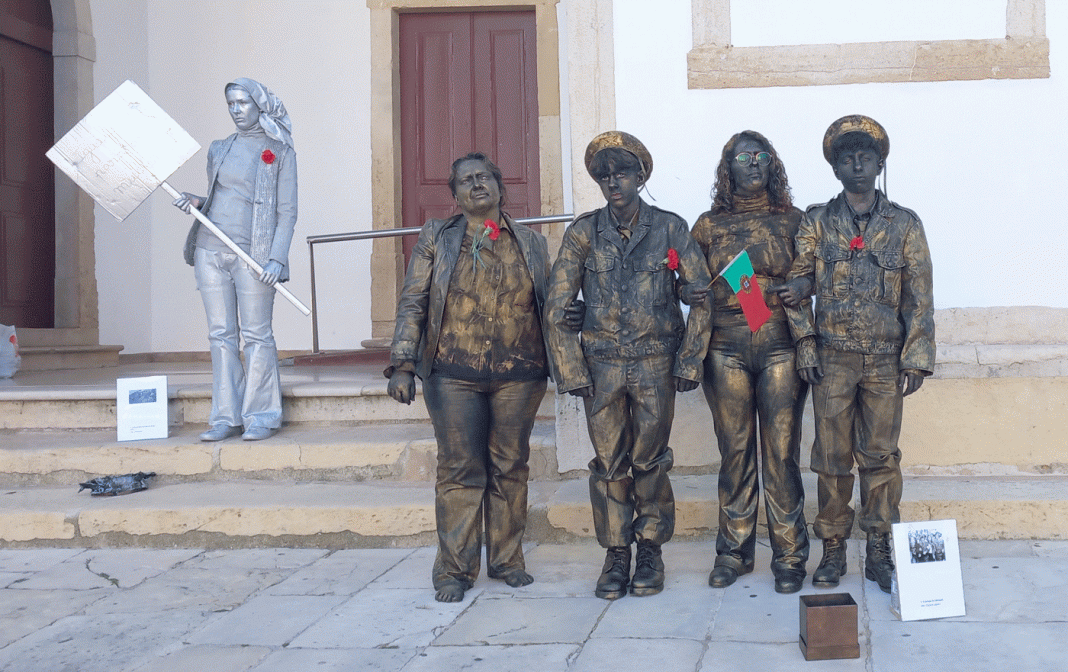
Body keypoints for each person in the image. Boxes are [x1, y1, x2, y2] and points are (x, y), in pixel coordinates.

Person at [545, 131, 712, 600]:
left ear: (640, 177)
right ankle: (616, 551)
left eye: (621, 173)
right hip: (601, 367)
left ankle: (651, 548)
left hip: (656, 363)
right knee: (608, 463)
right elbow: (557, 307)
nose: (612, 182)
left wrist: (690, 359)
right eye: (604, 176)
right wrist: (572, 371)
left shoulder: (671, 229)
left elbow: (702, 296)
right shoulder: (583, 232)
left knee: (650, 460)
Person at [385, 152, 558, 603]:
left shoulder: (532, 243)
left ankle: (506, 560)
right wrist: (404, 362)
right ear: (456, 195)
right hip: (452, 372)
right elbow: (413, 300)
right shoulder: (436, 238)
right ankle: (455, 569)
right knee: (460, 469)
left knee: (510, 466)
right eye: (465, 180)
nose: (476, 185)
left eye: (484, 177)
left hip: (520, 373)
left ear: (500, 187)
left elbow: (552, 305)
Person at [776, 115, 935, 593]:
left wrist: (917, 355)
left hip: (886, 359)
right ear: (836, 169)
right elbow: (796, 287)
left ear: (880, 164)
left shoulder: (905, 224)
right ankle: (833, 547)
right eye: (847, 159)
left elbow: (919, 295)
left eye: (866, 158)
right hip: (834, 359)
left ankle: (881, 546)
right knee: (830, 458)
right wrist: (804, 342)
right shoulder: (817, 222)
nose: (857, 166)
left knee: (881, 457)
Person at [690, 131, 812, 594]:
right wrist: (687, 291)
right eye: (744, 157)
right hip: (725, 345)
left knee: (781, 452)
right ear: (729, 168)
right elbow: (687, 280)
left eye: (762, 156)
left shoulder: (795, 220)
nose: (754, 163)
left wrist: (805, 287)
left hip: (780, 340)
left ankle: (790, 554)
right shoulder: (706, 225)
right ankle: (734, 551)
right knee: (736, 451)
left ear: (773, 165)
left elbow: (818, 271)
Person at [173, 78, 297, 442]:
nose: (237, 109)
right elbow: (219, 196)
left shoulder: (280, 151)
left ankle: (261, 414)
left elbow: (287, 212)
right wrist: (197, 202)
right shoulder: (219, 148)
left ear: (259, 104)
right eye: (231, 103)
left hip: (254, 254)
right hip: (210, 249)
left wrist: (276, 257)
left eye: (243, 102)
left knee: (257, 335)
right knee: (221, 335)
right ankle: (227, 415)